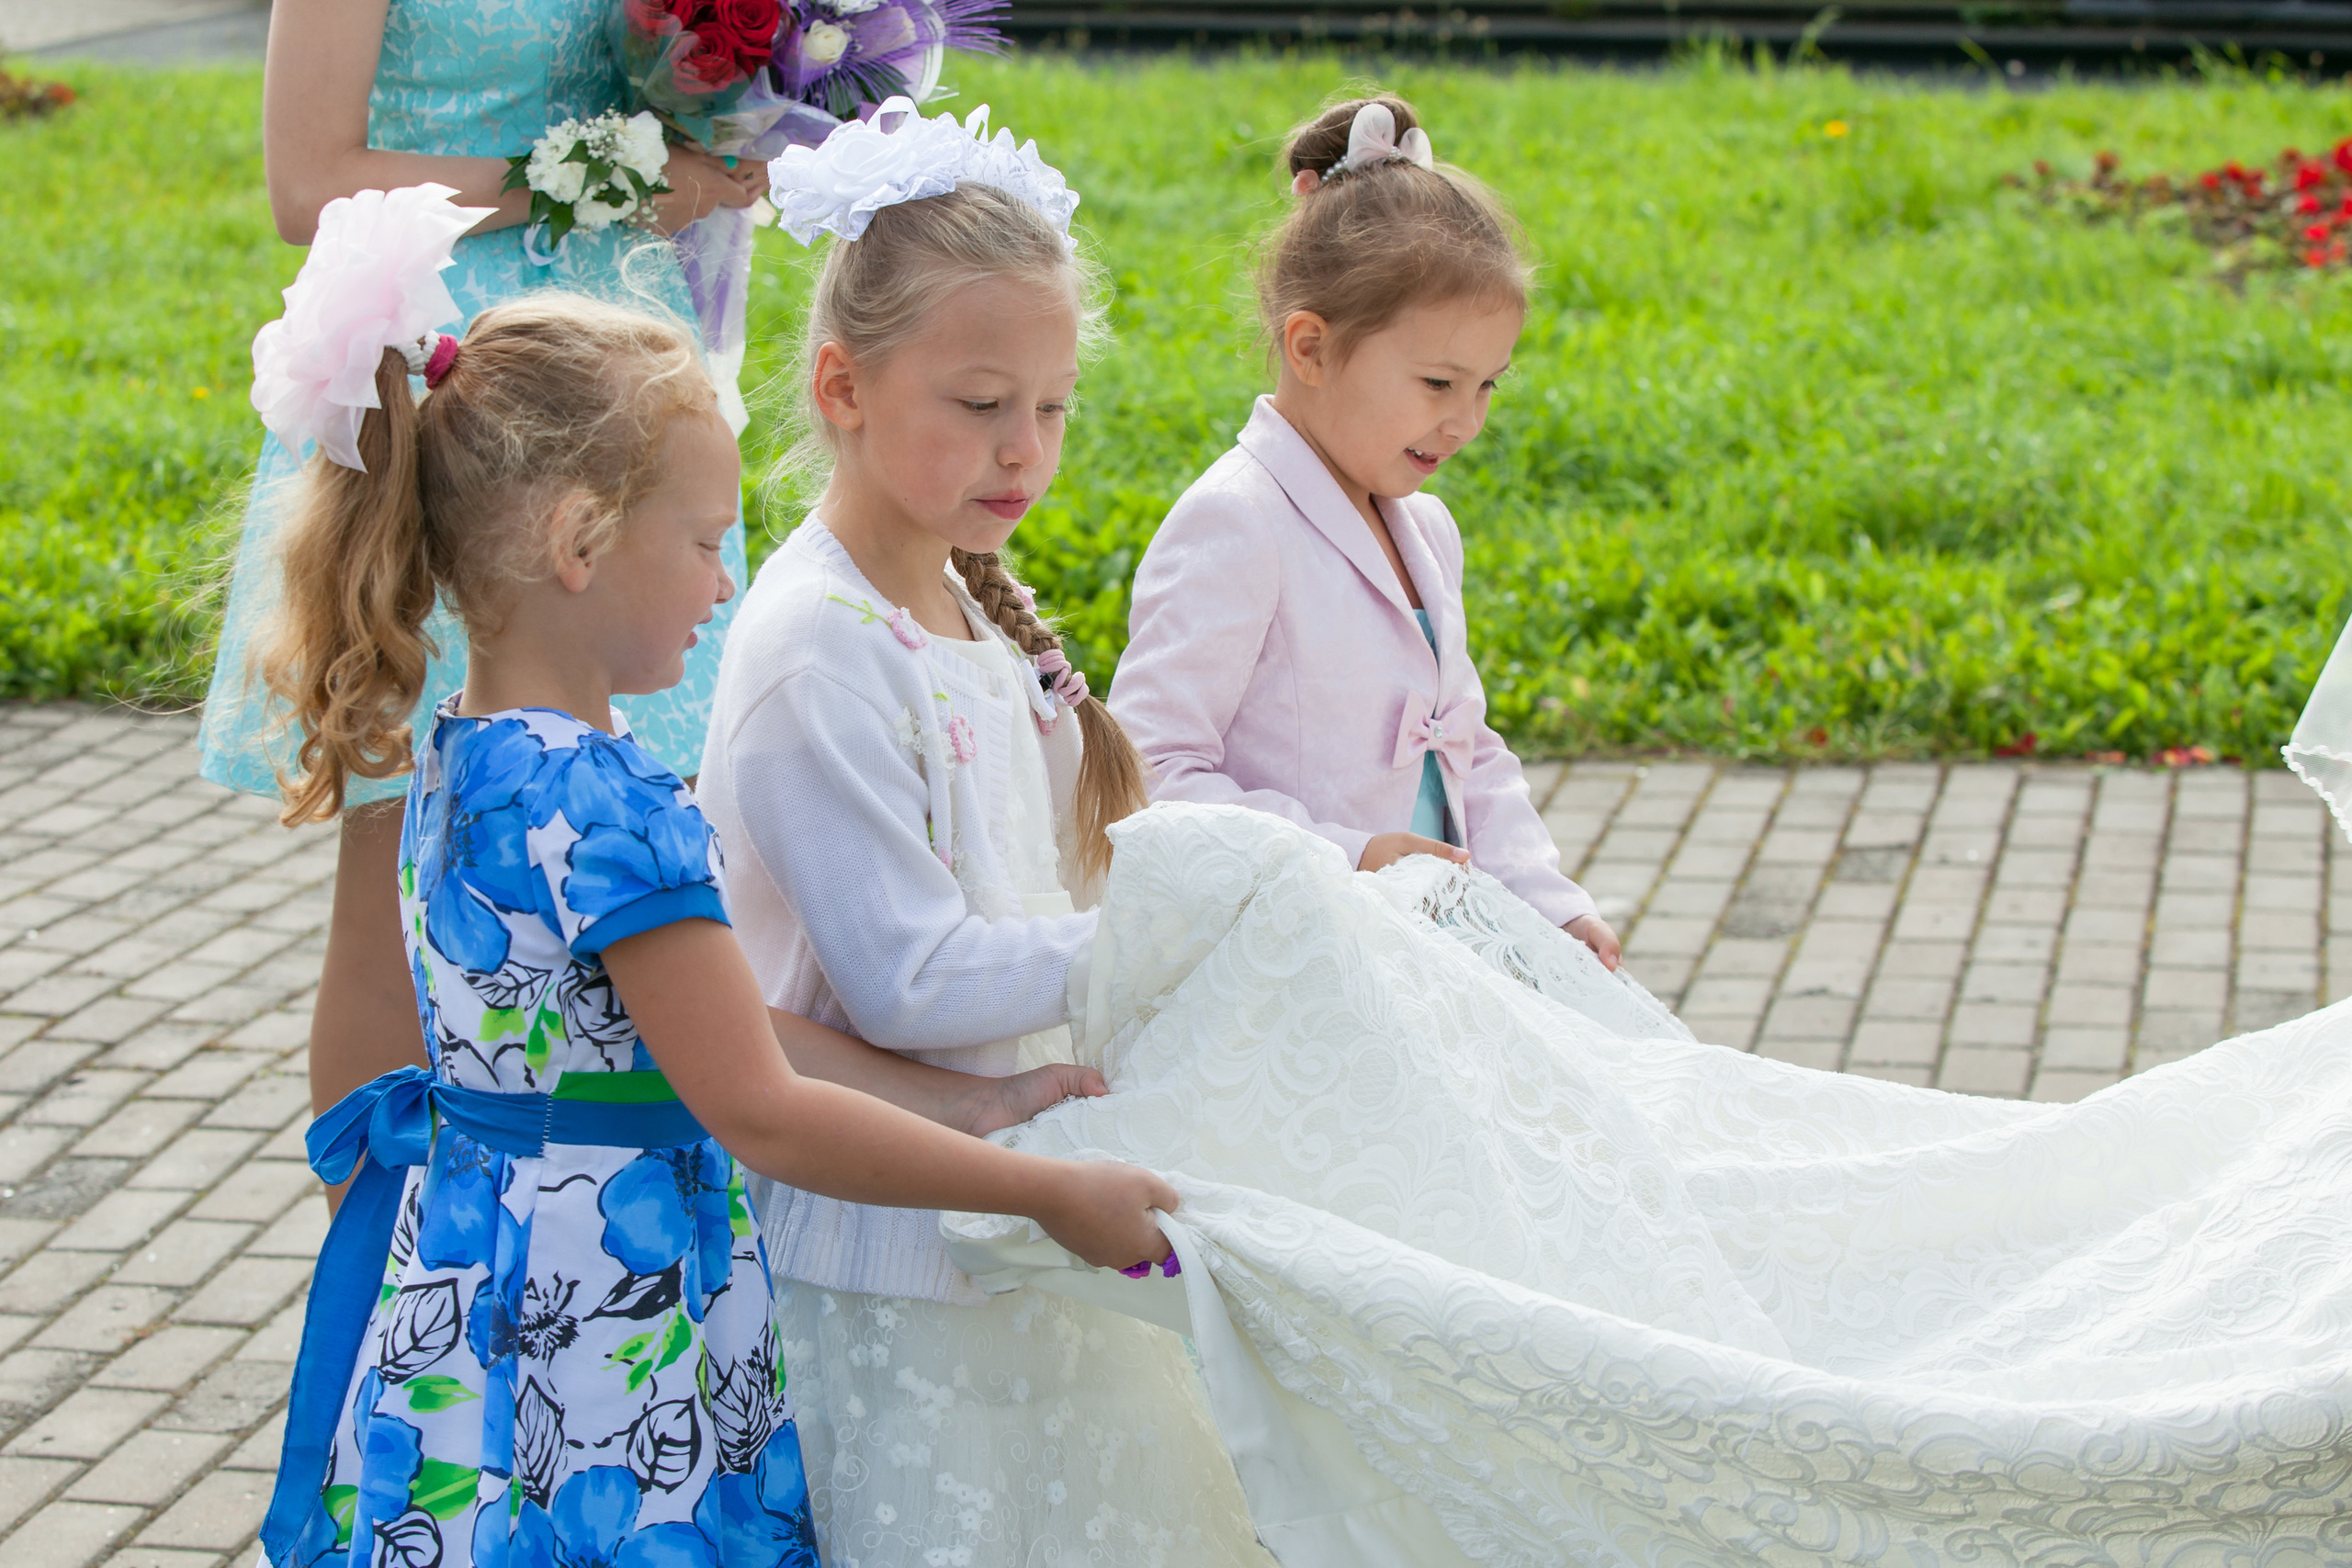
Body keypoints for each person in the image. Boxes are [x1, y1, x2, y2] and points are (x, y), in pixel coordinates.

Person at [244, 190, 1182, 1568]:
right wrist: (1044, 1188)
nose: (722, 582)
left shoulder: (463, 763)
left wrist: (981, 1098)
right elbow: (765, 1109)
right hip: (616, 1324)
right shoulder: (611, 810)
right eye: (701, 541)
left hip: (481, 1281)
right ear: (578, 543)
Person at [696, 102, 1273, 1567]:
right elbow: (904, 977)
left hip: (1021, 1192)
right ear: (841, 384)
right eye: (978, 404)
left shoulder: (959, 603)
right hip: (891, 1243)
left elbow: (1048, 872)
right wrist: (1177, 928)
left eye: (1053, 406)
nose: (1025, 448)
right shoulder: (819, 650)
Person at [202, 0, 770, 1145]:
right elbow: (307, 183)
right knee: (401, 861)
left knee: (651, 825)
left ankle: (606, 1194)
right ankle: (379, 1264)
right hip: (450, 386)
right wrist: (607, 179)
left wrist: (740, 105)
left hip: (618, 379)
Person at [1109, 95, 1619, 969]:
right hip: (1292, 962)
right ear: (1309, 348)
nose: (1464, 422)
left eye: (1488, 385)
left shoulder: (1426, 528)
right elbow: (1150, 771)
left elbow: (1466, 748)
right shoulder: (1237, 523)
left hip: (1430, 953)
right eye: (1436, 383)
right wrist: (1347, 854)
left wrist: (1546, 901)